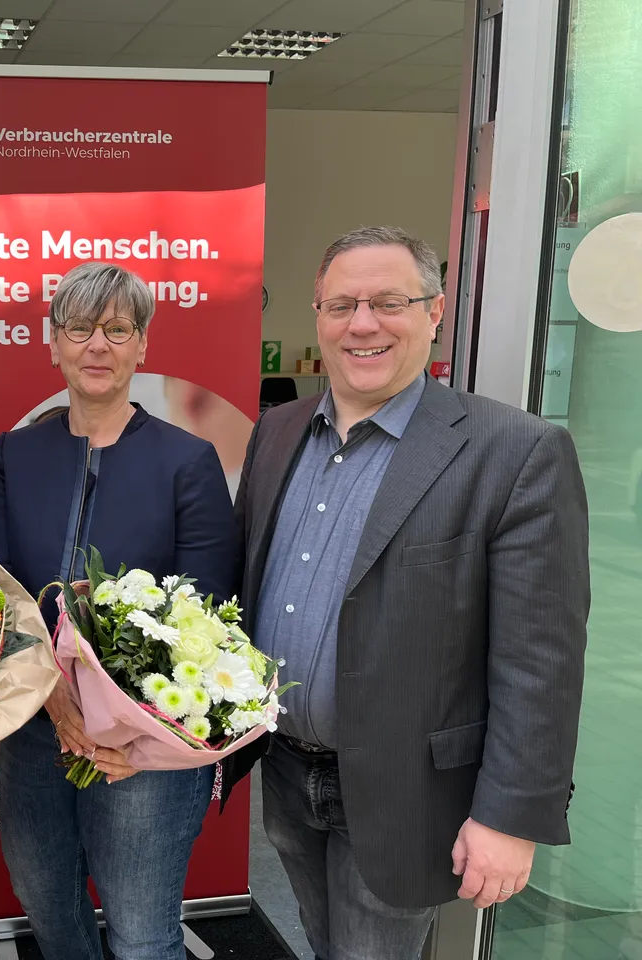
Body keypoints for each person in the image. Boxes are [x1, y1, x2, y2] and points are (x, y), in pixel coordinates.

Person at [235, 226, 590, 960]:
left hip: (411, 793)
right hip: (287, 771)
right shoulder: (276, 431)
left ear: (434, 312)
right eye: (341, 305)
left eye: (388, 302)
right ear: (318, 316)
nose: (362, 324)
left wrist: (510, 817)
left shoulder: (515, 453)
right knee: (321, 943)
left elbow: (541, 659)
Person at [0, 262, 240, 960]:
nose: (99, 345)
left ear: (142, 345)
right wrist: (59, 703)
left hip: (144, 740)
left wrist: (128, 722)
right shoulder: (15, 455)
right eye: (81, 328)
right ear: (53, 341)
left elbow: (204, 611)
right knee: (46, 901)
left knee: (143, 932)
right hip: (36, 726)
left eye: (118, 329)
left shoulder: (189, 460)